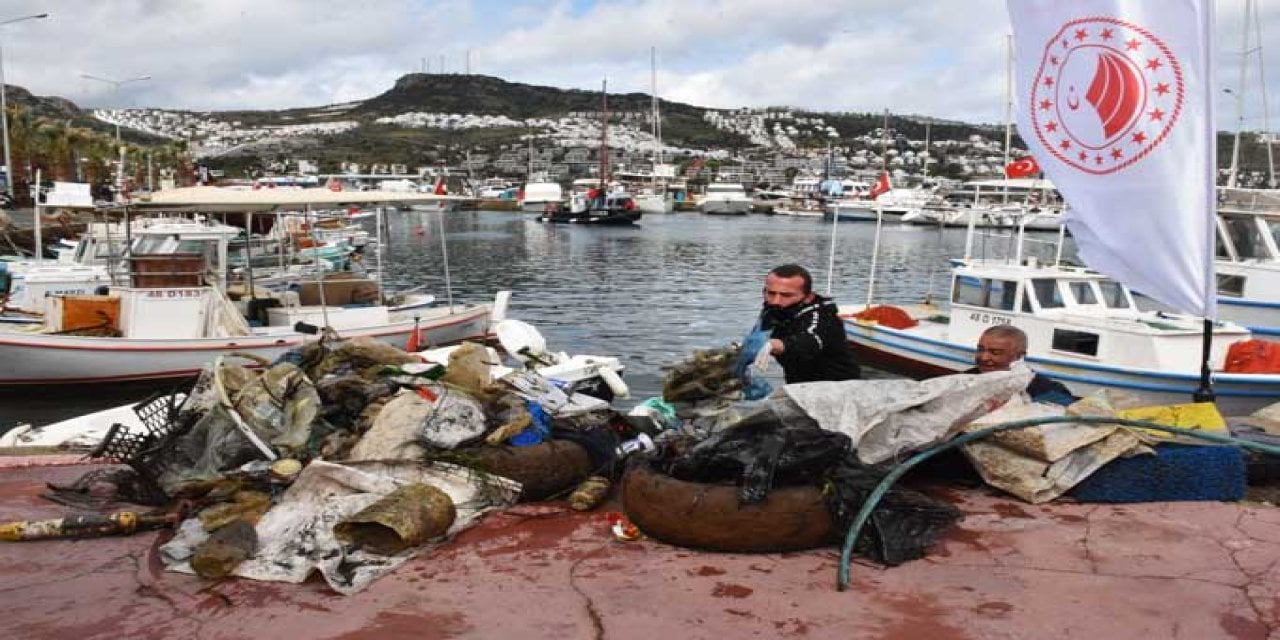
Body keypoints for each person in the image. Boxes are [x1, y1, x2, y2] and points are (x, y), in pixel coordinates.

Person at [757, 264, 861, 384]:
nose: (776, 301)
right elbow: (758, 336)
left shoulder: (821, 316)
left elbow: (809, 341)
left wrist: (774, 344)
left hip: (838, 385)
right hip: (797, 382)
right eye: (771, 293)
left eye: (786, 295)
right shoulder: (772, 310)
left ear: (808, 297)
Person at [968, 325, 1076, 405]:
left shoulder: (1047, 391)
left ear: (1019, 356)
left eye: (995, 352)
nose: (984, 357)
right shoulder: (965, 379)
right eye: (980, 350)